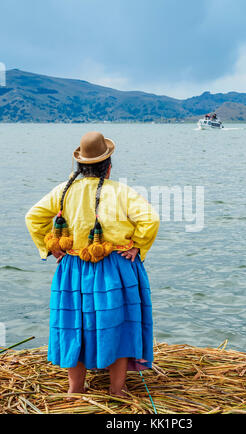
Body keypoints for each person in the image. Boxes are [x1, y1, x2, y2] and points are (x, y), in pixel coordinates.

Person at [25, 131, 160, 398]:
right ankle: (117, 390)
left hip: (73, 269)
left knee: (75, 324)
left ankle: (74, 390)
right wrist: (137, 246)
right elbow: (150, 219)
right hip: (116, 268)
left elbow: (33, 217)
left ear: (80, 165)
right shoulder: (121, 192)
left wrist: (51, 248)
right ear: (108, 168)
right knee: (119, 325)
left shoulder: (63, 191)